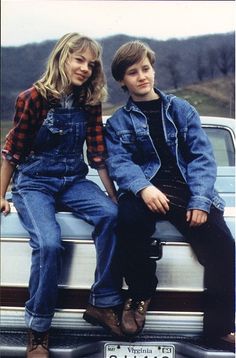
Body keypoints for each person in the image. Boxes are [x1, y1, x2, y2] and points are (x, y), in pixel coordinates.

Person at [0, 32, 124, 357]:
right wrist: (1, 194)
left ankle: (102, 303)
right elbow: (12, 152)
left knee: (112, 216)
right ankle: (38, 328)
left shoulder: (90, 102)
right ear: (62, 57)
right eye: (78, 59)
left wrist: (112, 196)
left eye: (91, 64)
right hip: (34, 182)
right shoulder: (32, 98)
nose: (84, 68)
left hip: (72, 180)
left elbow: (98, 154)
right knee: (49, 243)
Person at [104, 40, 235, 342]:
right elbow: (119, 162)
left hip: (187, 192)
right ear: (122, 80)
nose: (142, 76)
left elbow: (203, 157)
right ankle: (140, 294)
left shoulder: (181, 110)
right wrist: (143, 188)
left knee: (225, 250)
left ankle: (219, 328)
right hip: (146, 192)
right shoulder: (118, 122)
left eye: (146, 69)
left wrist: (201, 201)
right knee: (127, 221)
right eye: (132, 72)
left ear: (153, 69)